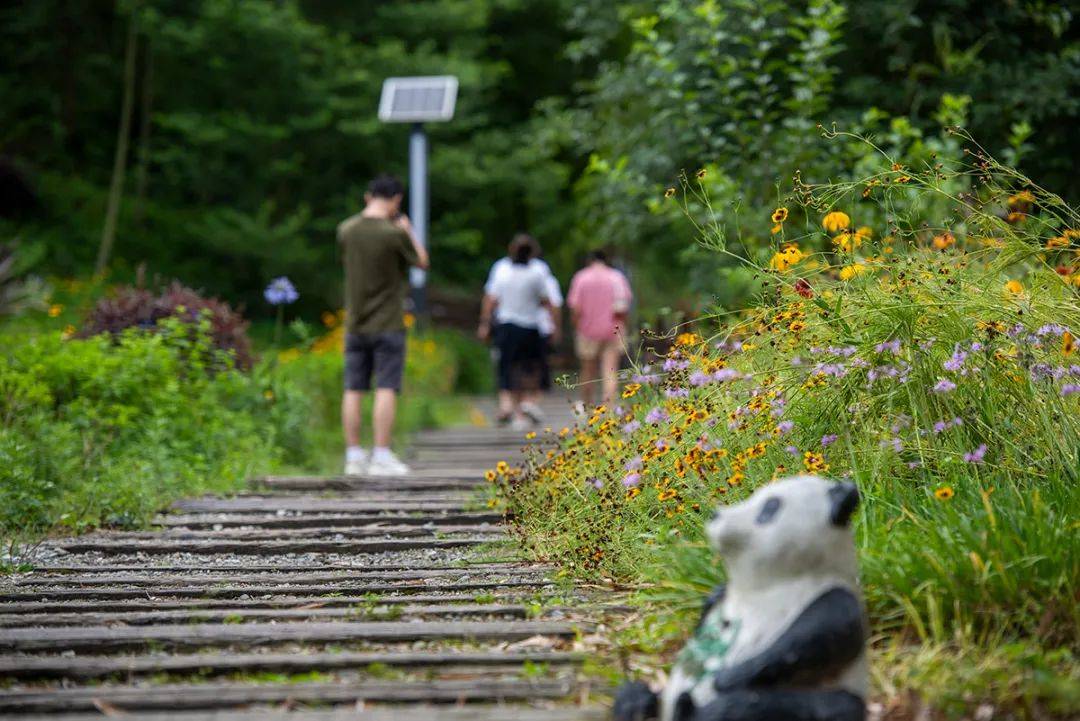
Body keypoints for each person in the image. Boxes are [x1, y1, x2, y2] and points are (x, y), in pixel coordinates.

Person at [338, 174, 429, 476]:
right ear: (396, 201)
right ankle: (381, 453)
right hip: (388, 322)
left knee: (353, 388)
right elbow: (422, 261)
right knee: (386, 387)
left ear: (368, 196)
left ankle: (353, 456)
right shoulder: (394, 234)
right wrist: (408, 229)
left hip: (355, 322)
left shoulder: (346, 230)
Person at [482, 234, 562, 424]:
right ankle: (526, 403)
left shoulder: (501, 270)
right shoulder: (537, 273)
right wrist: (554, 325)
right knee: (530, 369)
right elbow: (548, 301)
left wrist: (485, 322)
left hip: (507, 325)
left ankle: (508, 404)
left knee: (506, 367)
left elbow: (491, 299)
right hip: (530, 326)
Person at [566, 249, 632, 408]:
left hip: (587, 330)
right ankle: (608, 410)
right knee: (610, 371)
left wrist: (576, 326)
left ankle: (588, 407)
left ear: (590, 260)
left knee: (588, 371)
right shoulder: (616, 277)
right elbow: (624, 306)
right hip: (613, 330)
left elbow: (575, 308)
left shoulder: (581, 278)